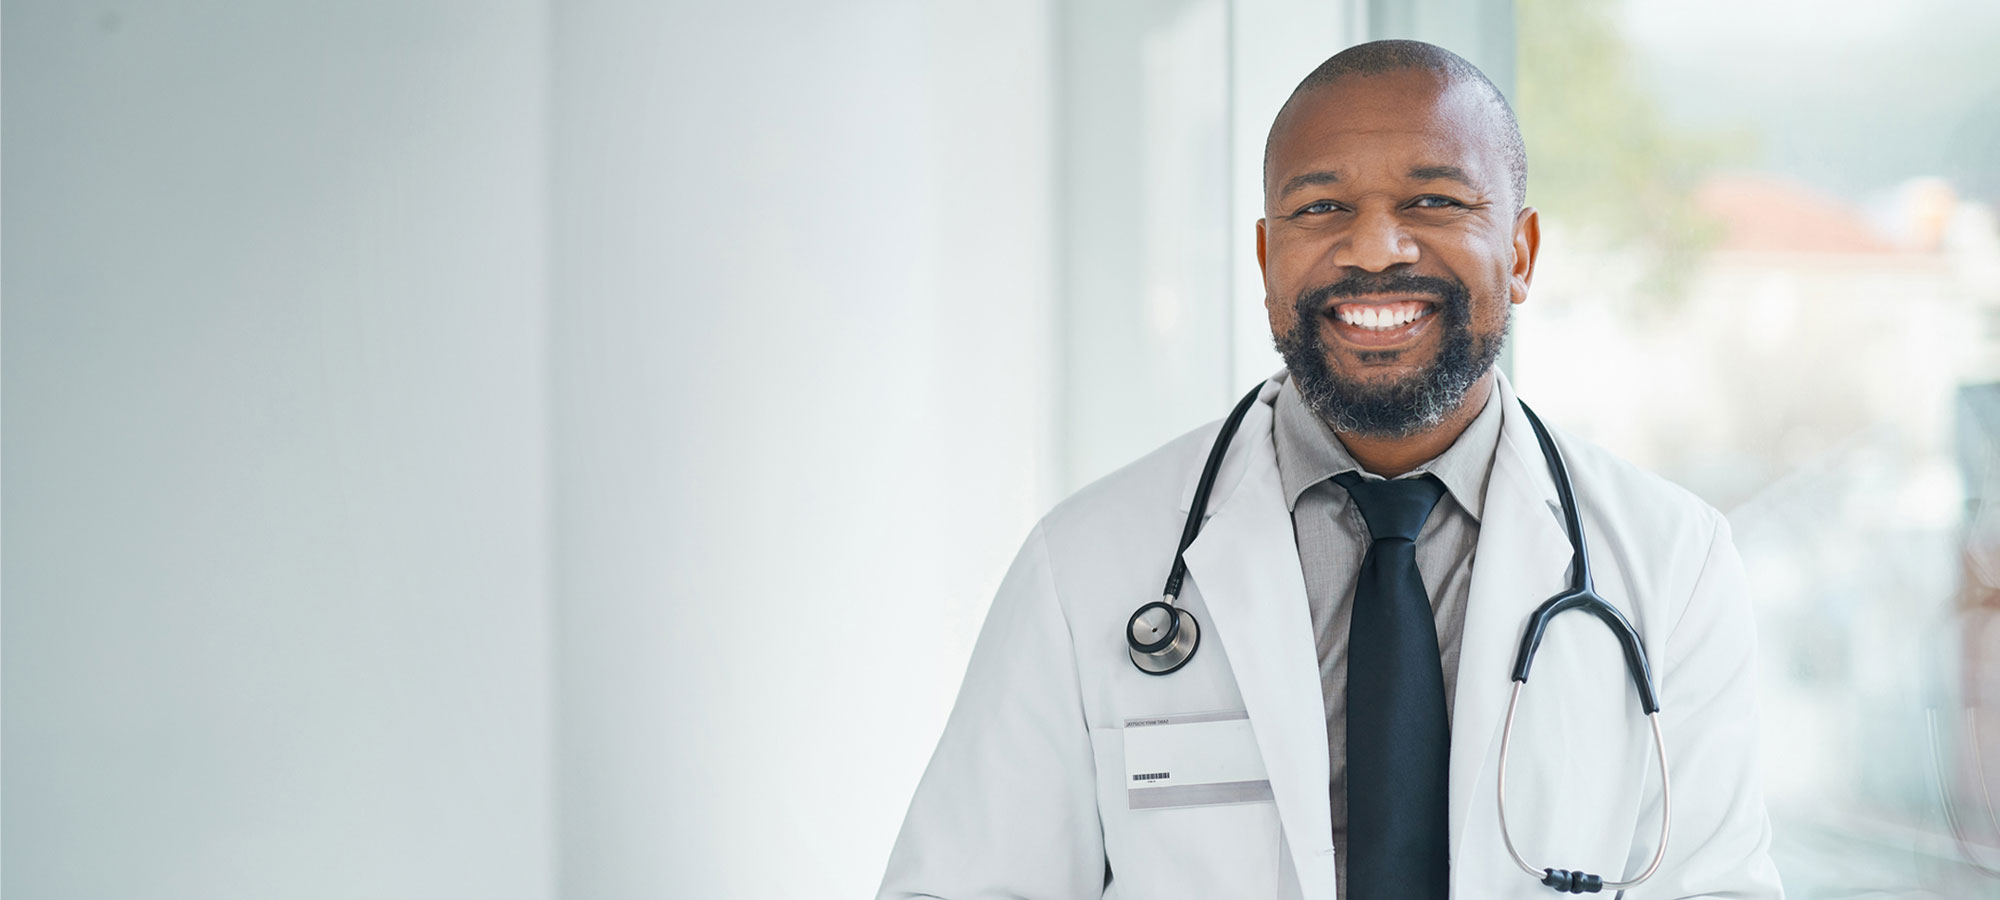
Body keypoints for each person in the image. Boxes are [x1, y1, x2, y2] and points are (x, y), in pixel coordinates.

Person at [877, 40, 1783, 900]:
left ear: (1521, 254)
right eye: (1320, 208)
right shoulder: (1086, 566)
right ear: (1267, 262)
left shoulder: (1673, 562)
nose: (1375, 247)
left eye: (1433, 202)